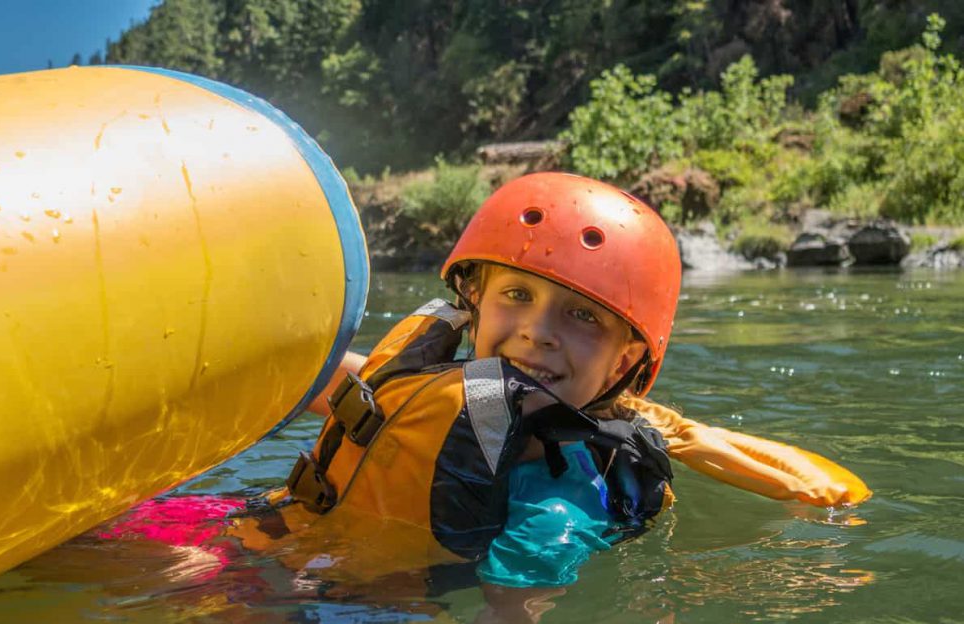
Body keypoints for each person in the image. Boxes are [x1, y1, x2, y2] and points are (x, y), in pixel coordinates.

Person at [277, 171, 870, 593]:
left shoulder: (562, 502)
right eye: (517, 296)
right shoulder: (437, 392)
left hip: (342, 614)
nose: (537, 332)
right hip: (270, 536)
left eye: (583, 316)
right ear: (474, 304)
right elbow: (309, 381)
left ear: (622, 364)